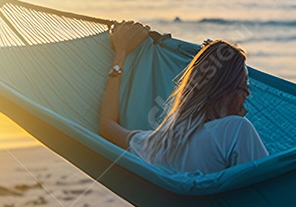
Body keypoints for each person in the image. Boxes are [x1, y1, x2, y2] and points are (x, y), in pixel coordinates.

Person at [98, 22, 269, 172]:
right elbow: (267, 189)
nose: (247, 95)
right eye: (244, 87)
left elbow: (107, 126)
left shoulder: (159, 143)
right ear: (226, 92)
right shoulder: (236, 130)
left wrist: (120, 55)